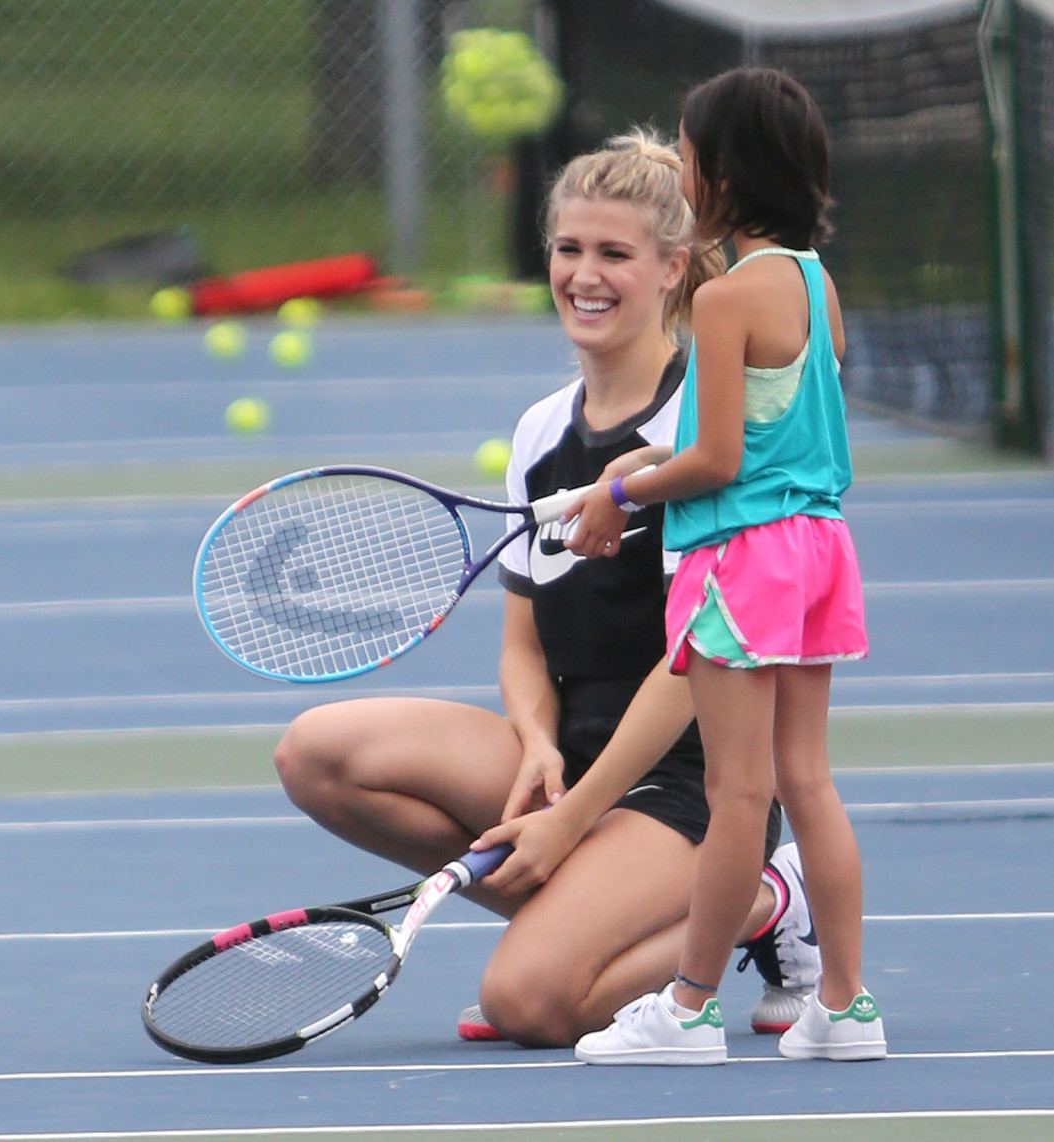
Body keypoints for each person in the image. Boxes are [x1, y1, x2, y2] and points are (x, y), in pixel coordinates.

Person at [273, 130, 818, 1048]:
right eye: (570, 250)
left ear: (674, 268)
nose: (585, 275)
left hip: (689, 781)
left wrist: (571, 819)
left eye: (615, 254)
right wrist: (533, 745)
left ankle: (759, 899)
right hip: (572, 748)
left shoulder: (704, 430)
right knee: (317, 753)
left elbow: (697, 663)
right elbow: (523, 642)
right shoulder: (541, 430)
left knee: (530, 1004)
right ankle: (579, 919)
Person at [563, 69, 886, 1063]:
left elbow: (718, 463)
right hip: (817, 552)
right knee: (808, 782)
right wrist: (641, 462)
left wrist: (617, 496)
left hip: (738, 561)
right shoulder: (811, 283)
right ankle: (845, 1003)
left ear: (722, 178)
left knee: (737, 792)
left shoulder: (725, 301)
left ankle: (691, 1005)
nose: (681, 170)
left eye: (688, 156)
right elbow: (775, 442)